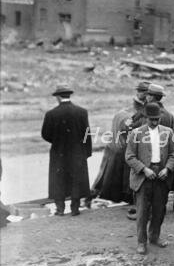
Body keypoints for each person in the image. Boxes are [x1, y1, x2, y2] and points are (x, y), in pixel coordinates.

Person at [125, 103, 174, 254]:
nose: (155, 122)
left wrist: (167, 169)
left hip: (161, 177)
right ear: (146, 118)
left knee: (159, 210)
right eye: (152, 120)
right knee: (142, 212)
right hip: (143, 178)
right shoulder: (136, 133)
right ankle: (141, 242)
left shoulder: (168, 132)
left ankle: (154, 236)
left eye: (157, 119)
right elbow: (129, 156)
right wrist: (144, 169)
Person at [41, 84, 92, 216]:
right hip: (77, 152)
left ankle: (60, 209)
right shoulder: (81, 112)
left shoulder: (51, 114)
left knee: (59, 179)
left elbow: (45, 134)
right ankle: (75, 209)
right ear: (69, 95)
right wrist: (86, 152)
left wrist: (57, 141)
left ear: (58, 97)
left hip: (59, 152)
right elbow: (86, 134)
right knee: (76, 179)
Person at [92, 96, 143, 206]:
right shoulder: (131, 117)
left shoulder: (121, 112)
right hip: (122, 149)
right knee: (120, 179)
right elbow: (128, 131)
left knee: (108, 177)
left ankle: (103, 194)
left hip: (112, 147)